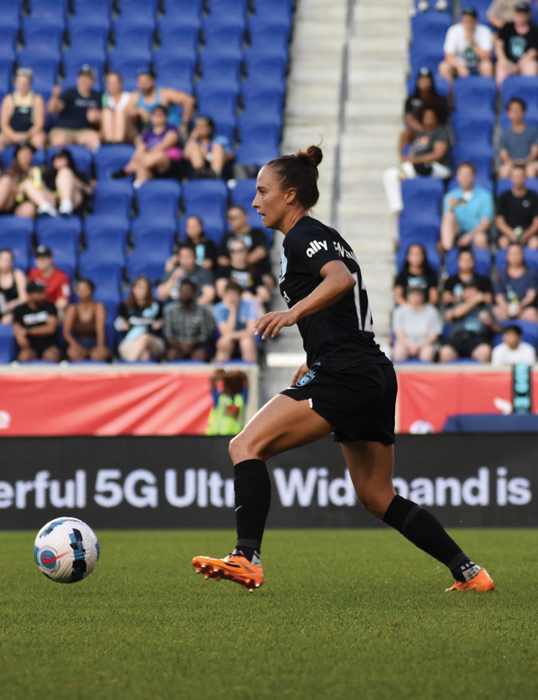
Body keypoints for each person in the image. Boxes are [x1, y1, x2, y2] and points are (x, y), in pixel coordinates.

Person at [192, 145, 495, 594]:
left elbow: (341, 282)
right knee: (376, 496)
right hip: (371, 370)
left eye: (262, 191)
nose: (254, 202)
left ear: (290, 195)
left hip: (346, 372)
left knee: (245, 445)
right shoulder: (324, 235)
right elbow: (341, 310)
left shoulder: (300, 237)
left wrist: (292, 317)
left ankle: (246, 557)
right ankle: (471, 574)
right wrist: (310, 355)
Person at [383, 104, 451, 214]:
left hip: (438, 167)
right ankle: (397, 208)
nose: (428, 120)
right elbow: (411, 153)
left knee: (415, 167)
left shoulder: (440, 131)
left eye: (431, 117)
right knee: (389, 174)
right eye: (426, 117)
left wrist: (414, 161)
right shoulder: (420, 134)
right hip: (418, 167)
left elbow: (437, 154)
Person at [112, 105, 182, 188]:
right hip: (149, 165)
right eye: (155, 115)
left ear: (166, 117)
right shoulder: (147, 133)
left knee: (158, 155)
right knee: (142, 168)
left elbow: (164, 145)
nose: (157, 117)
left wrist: (146, 154)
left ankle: (127, 170)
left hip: (167, 163)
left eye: (160, 115)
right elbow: (140, 149)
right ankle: (138, 189)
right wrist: (140, 154)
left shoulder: (171, 129)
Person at [440, 281, 501, 362]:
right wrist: (474, 300)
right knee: (445, 352)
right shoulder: (457, 304)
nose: (469, 293)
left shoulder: (485, 308)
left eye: (472, 291)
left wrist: (490, 323)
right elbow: (455, 314)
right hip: (457, 338)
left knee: (485, 351)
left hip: (476, 339)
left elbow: (499, 329)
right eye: (467, 291)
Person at [126, 67, 194, 140]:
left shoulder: (164, 93)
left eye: (145, 80)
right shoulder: (135, 96)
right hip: (151, 133)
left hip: (172, 132)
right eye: (140, 81)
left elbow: (188, 100)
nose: (143, 83)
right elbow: (126, 111)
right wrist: (138, 110)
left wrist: (184, 124)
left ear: (153, 81)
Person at [440, 162, 494, 251]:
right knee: (448, 216)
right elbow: (448, 220)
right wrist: (451, 209)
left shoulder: (485, 196)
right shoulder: (450, 196)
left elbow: (486, 223)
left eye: (467, 175)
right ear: (457, 177)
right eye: (462, 175)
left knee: (480, 239)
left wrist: (469, 236)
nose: (464, 178)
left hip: (476, 233)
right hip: (457, 231)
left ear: (473, 176)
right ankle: (447, 251)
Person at [48, 65, 102, 151]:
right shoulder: (69, 93)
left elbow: (105, 117)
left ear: (93, 81)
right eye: (82, 77)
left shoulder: (98, 96)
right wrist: (54, 97)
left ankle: (93, 163)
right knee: (59, 140)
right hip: (64, 129)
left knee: (95, 140)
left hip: (84, 131)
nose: (84, 81)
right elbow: (53, 110)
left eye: (88, 78)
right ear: (78, 79)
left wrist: (97, 117)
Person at [0, 143, 58, 218]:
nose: (25, 156)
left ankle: (46, 208)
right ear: (17, 155)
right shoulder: (9, 172)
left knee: (29, 209)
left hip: (30, 202)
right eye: (22, 153)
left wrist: (37, 181)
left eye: (28, 153)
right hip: (11, 201)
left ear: (32, 156)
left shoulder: (40, 171)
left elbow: (50, 194)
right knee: (6, 180)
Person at [400, 67, 449, 155]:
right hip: (418, 130)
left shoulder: (439, 100)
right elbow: (408, 117)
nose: (424, 84)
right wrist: (422, 129)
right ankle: (405, 159)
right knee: (405, 134)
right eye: (421, 81)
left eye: (426, 80)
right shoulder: (411, 100)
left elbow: (444, 117)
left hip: (436, 130)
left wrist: (431, 128)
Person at [163, 278, 215, 361]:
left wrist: (191, 345)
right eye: (182, 290)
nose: (185, 293)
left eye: (188, 290)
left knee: (201, 355)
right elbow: (168, 334)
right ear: (179, 292)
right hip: (177, 346)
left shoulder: (202, 311)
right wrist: (181, 345)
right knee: (171, 355)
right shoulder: (170, 310)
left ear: (194, 292)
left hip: (196, 346)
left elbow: (205, 334)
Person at [115, 276, 165, 361]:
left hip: (153, 342)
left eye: (143, 287)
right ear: (133, 289)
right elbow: (117, 323)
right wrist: (121, 324)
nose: (140, 290)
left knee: (144, 337)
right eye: (138, 287)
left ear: (148, 289)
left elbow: (164, 321)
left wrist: (161, 323)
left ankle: (129, 366)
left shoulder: (157, 305)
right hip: (130, 342)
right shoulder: (124, 306)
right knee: (145, 355)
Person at [438, 7, 494, 84]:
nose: (468, 24)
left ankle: (484, 92)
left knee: (487, 66)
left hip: (477, 65)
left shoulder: (484, 31)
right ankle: (449, 95)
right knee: (444, 67)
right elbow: (448, 57)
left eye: (471, 21)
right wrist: (460, 67)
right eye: (465, 21)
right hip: (459, 64)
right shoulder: (453, 31)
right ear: (461, 21)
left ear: (476, 21)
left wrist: (472, 42)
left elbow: (487, 57)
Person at [218, 205, 272, 284]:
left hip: (256, 273)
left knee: (266, 280)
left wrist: (241, 263)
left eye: (234, 218)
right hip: (233, 274)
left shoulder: (257, 233)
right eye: (229, 218)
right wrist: (235, 266)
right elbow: (221, 258)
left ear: (245, 217)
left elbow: (261, 252)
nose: (231, 221)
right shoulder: (227, 237)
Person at [12, 280, 61, 363]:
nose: (43, 295)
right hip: (29, 346)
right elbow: (18, 330)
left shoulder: (50, 307)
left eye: (43, 292)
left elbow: (50, 328)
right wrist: (22, 340)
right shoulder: (19, 310)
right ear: (30, 295)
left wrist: (28, 331)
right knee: (24, 356)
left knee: (52, 356)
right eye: (39, 293)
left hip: (48, 345)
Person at [63, 279, 109, 362]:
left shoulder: (98, 307)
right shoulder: (73, 308)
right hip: (78, 341)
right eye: (79, 289)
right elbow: (66, 333)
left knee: (99, 355)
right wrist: (75, 346)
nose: (81, 292)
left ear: (91, 291)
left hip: (95, 341)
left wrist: (100, 346)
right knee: (74, 354)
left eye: (84, 289)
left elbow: (100, 330)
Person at [392, 285, 443, 362]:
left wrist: (422, 346)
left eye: (418, 295)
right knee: (398, 352)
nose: (415, 297)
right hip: (405, 343)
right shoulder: (400, 311)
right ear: (408, 296)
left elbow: (434, 334)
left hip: (426, 343)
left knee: (427, 353)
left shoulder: (432, 311)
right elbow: (399, 333)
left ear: (423, 296)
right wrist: (410, 346)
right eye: (413, 295)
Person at [212, 280, 259, 362]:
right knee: (224, 343)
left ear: (240, 295)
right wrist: (232, 311)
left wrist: (230, 336)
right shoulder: (218, 309)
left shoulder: (250, 305)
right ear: (224, 296)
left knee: (246, 342)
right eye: (229, 295)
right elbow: (225, 333)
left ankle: (251, 372)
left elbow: (250, 332)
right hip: (230, 342)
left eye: (235, 295)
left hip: (247, 340)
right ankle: (220, 371)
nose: (232, 298)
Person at [216, 240, 271, 308]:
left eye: (241, 250)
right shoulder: (225, 270)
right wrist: (240, 297)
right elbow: (221, 292)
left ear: (247, 251)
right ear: (230, 253)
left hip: (251, 305)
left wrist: (254, 299)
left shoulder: (253, 270)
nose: (238, 253)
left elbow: (265, 295)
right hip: (231, 305)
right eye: (233, 251)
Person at [0, 68, 46, 150]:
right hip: (12, 134)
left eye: (25, 83)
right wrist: (13, 135)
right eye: (20, 83)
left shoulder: (37, 99)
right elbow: (4, 124)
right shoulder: (8, 99)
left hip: (30, 134)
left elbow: (39, 124)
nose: (22, 86)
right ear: (15, 84)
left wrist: (27, 135)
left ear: (30, 84)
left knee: (39, 139)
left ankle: (39, 162)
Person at [493, 242, 538, 322]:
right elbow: (499, 297)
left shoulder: (531, 274)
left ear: (522, 255)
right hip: (506, 309)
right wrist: (507, 309)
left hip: (524, 309)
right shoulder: (501, 275)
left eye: (517, 254)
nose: (514, 257)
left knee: (531, 313)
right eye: (512, 254)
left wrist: (520, 307)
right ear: (507, 256)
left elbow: (531, 296)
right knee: (495, 311)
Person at [495, 2, 538, 85]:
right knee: (500, 66)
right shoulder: (507, 27)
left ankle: (529, 94)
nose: (521, 16)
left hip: (525, 62)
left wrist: (519, 65)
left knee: (531, 66)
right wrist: (502, 59)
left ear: (529, 15)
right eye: (519, 13)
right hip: (509, 61)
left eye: (524, 14)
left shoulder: (534, 30)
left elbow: (533, 51)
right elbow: (499, 44)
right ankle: (502, 95)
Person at [43, 148, 94, 217]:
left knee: (65, 171)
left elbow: (89, 191)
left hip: (74, 203)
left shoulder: (78, 174)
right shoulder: (47, 175)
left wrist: (75, 182)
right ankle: (51, 209)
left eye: (62, 158)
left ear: (68, 160)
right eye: (56, 159)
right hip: (54, 203)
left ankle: (66, 205)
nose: (59, 161)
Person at [496, 165, 538, 248]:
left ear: (525, 178)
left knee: (535, 243)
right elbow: (500, 221)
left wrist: (526, 235)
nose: (517, 179)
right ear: (511, 178)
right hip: (509, 234)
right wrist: (511, 234)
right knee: (503, 243)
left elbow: (536, 222)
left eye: (520, 176)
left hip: (529, 234)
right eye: (515, 176)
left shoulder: (533, 196)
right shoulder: (504, 197)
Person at [498, 98, 538, 178]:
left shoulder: (533, 131)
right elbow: (503, 154)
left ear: (524, 112)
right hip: (511, 164)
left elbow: (535, 151)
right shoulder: (504, 135)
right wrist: (514, 164)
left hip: (530, 163)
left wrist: (525, 162)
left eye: (518, 110)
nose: (515, 113)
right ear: (508, 113)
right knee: (504, 172)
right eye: (512, 111)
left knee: (531, 171)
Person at [183, 114, 233, 179]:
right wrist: (192, 138)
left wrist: (209, 155)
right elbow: (185, 154)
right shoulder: (194, 142)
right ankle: (200, 172)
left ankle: (215, 173)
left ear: (210, 128)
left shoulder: (220, 140)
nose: (200, 129)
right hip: (196, 168)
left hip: (216, 163)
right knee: (192, 146)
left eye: (203, 127)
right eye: (197, 127)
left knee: (218, 147)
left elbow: (230, 154)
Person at [28, 245, 71, 314]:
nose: (40, 262)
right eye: (38, 259)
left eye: (43, 258)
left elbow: (63, 299)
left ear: (50, 259)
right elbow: (29, 295)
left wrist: (49, 309)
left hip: (54, 309)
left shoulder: (62, 276)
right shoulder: (33, 273)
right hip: (36, 307)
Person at [206, 369, 249, 436]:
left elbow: (245, 378)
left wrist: (230, 375)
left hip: (236, 437)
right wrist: (225, 375)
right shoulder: (220, 398)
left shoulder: (241, 399)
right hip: (216, 436)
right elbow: (212, 379)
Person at [101, 72, 133, 145]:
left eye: (115, 83)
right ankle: (109, 140)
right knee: (106, 112)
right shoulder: (105, 98)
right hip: (109, 131)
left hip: (128, 130)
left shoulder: (129, 97)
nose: (112, 86)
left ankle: (119, 140)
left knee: (120, 112)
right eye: (110, 83)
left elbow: (133, 113)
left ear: (120, 83)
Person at [0, 248, 27, 324]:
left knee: (7, 320)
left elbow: (24, 298)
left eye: (7, 260)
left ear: (12, 262)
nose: (4, 262)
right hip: (1, 310)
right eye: (2, 259)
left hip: (17, 310)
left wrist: (12, 304)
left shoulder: (18, 275)